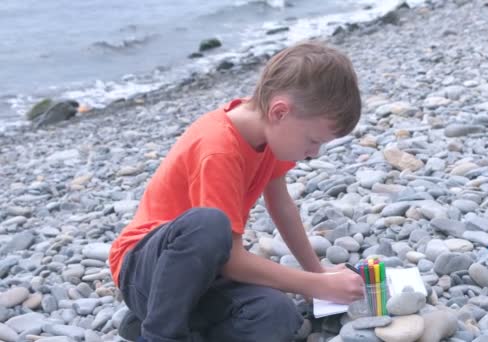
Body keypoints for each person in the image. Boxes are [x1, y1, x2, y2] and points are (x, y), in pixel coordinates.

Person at [108, 40, 364, 342]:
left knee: (278, 315)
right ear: (280, 112)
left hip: (203, 275)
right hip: (147, 268)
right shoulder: (219, 149)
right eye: (312, 140)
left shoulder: (269, 134)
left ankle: (159, 323)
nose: (314, 153)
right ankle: (160, 334)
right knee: (209, 223)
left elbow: (280, 206)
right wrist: (313, 285)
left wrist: (317, 272)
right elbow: (231, 259)